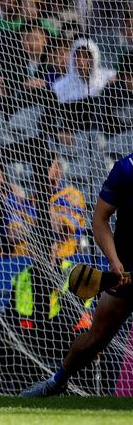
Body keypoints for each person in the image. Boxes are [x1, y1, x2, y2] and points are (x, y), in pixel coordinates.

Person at [20, 152, 133, 398]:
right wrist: (114, 262)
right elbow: (100, 219)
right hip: (125, 272)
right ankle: (56, 382)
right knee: (95, 338)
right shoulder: (126, 169)